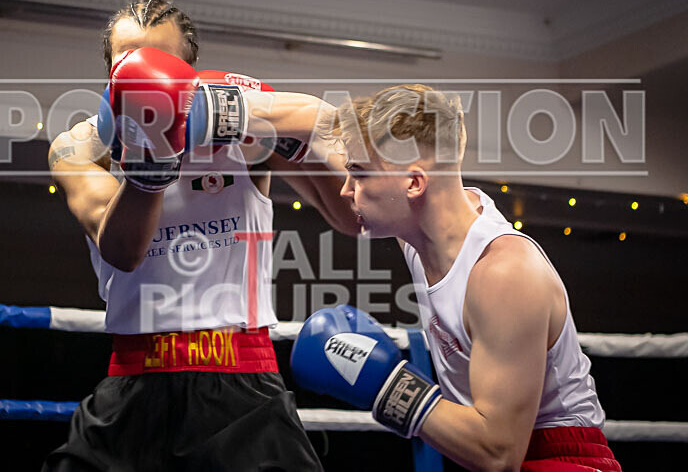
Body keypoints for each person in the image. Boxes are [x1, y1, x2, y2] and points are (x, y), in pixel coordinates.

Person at [43, 0, 357, 471]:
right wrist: (153, 159)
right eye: (129, 63)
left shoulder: (242, 129)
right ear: (109, 72)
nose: (144, 74)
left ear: (191, 71)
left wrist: (216, 114)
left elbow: (335, 157)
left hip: (241, 381)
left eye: (161, 63)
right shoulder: (79, 147)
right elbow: (123, 250)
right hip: (133, 380)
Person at [248, 84, 621, 471]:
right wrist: (248, 130)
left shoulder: (503, 273)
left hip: (558, 458)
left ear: (413, 183)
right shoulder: (420, 232)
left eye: (358, 175)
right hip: (478, 450)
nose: (345, 189)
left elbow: (498, 453)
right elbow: (319, 145)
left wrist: (386, 385)